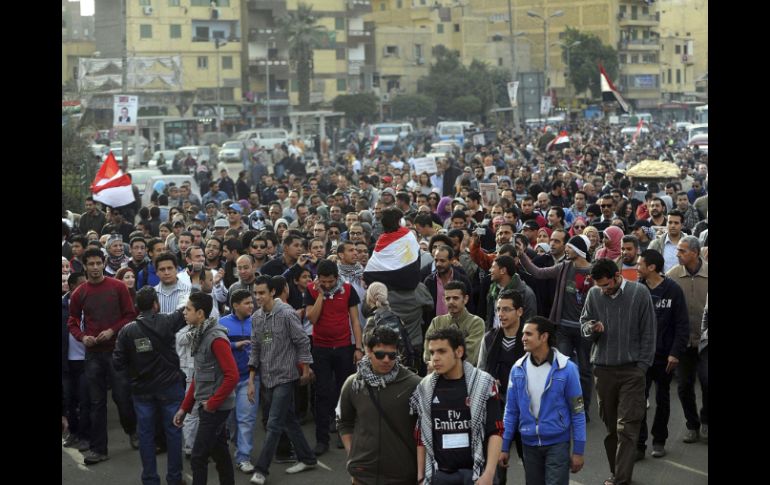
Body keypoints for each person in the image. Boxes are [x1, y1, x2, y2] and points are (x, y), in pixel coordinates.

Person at [580, 258, 656, 485]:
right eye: (599, 286)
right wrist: (591, 328)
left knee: (627, 428)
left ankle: (621, 479)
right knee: (611, 427)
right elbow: (583, 325)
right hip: (603, 370)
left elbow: (649, 333)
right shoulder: (594, 294)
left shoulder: (639, 293)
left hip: (632, 371)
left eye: (606, 285)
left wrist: (642, 367)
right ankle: (617, 471)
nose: (603, 289)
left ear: (616, 276)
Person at [67, 247, 138, 465]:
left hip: (116, 351)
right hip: (93, 354)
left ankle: (132, 431)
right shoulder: (80, 293)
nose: (96, 268)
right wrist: (82, 337)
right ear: (85, 266)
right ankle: (99, 449)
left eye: (99, 263)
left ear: (103, 263)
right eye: (91, 264)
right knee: (97, 403)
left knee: (122, 397)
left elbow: (130, 316)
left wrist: (112, 330)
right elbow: (71, 321)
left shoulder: (117, 287)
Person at [113, 287, 187, 485]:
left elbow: (118, 362)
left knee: (145, 435)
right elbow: (185, 309)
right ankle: (175, 478)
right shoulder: (167, 321)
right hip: (170, 387)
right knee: (173, 432)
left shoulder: (127, 331)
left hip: (142, 390)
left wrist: (135, 369)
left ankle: (149, 479)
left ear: (137, 306)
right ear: (156, 304)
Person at [410, 326, 503, 485]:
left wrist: (488, 474)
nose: (435, 358)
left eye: (441, 351)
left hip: (476, 474)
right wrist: (421, 475)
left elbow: (496, 431)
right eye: (432, 353)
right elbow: (421, 435)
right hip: (440, 475)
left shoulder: (483, 384)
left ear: (458, 352)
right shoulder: (425, 388)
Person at [499, 316, 586, 485]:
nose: (523, 338)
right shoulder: (517, 370)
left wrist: (578, 451)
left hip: (558, 444)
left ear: (544, 337)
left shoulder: (568, 369)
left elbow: (578, 412)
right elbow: (510, 412)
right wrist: (504, 446)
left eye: (528, 334)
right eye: (523, 334)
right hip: (529, 445)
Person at [516, 235, 595, 418]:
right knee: (563, 369)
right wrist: (522, 256)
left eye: (570, 247)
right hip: (563, 329)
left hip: (584, 330)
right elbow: (538, 272)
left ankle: (582, 409)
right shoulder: (564, 267)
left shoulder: (593, 271)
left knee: (584, 371)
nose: (566, 249)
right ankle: (565, 407)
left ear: (580, 250)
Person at [247, 276, 317, 484]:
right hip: (266, 378)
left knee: (274, 423)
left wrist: (306, 368)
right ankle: (307, 457)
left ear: (272, 293)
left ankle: (261, 470)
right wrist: (251, 380)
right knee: (288, 420)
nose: (258, 297)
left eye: (262, 293)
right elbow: (255, 348)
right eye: (255, 293)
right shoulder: (257, 318)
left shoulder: (287, 314)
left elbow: (302, 341)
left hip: (286, 377)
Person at [338, 326, 422, 484]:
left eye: (392, 355)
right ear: (368, 351)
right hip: (363, 475)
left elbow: (425, 432)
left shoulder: (414, 384)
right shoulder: (353, 384)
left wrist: (421, 472)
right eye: (380, 354)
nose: (386, 360)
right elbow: (344, 422)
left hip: (402, 476)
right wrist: (352, 455)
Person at [173, 292, 238, 485]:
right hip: (207, 404)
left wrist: (212, 404)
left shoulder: (215, 338)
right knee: (220, 453)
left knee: (198, 456)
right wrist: (184, 408)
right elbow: (199, 377)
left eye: (188, 309)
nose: (184, 312)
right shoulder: (200, 334)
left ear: (200, 313)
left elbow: (232, 375)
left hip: (215, 408)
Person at [304, 259, 364, 455]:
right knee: (322, 393)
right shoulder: (311, 291)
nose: (327, 285)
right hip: (321, 348)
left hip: (344, 347)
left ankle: (343, 433)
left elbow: (355, 321)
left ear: (337, 278)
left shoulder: (347, 290)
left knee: (343, 392)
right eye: (323, 281)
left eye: (330, 282)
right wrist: (321, 295)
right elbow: (312, 317)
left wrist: (358, 347)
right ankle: (322, 440)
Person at [635, 249, 690, 459]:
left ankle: (659, 440)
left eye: (641, 264)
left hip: (665, 357)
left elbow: (681, 324)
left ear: (652, 267)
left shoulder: (673, 290)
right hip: (641, 357)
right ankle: (639, 445)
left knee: (662, 398)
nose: (638, 267)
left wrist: (675, 353)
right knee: (639, 400)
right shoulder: (638, 289)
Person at [476, 289, 526, 483]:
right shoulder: (489, 339)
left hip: (525, 410)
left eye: (507, 309)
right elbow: (480, 371)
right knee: (497, 465)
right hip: (496, 409)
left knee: (532, 464)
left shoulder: (529, 338)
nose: (501, 314)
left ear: (519, 311)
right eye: (498, 309)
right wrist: (489, 381)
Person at [665, 236, 708, 445]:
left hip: (706, 342)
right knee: (684, 386)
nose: (677, 254)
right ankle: (692, 424)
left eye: (682, 251)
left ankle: (706, 420)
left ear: (695, 252)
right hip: (682, 342)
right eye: (678, 250)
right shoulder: (672, 276)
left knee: (707, 383)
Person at [218, 289, 259, 474]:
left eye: (252, 302)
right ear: (235, 305)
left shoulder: (257, 322)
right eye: (247, 303)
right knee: (231, 421)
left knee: (246, 419)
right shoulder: (222, 323)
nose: (251, 305)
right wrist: (235, 345)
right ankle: (236, 446)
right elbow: (217, 348)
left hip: (249, 379)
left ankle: (243, 456)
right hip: (227, 380)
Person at [422, 280, 485, 368]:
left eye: (455, 298)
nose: (451, 302)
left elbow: (470, 355)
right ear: (444, 300)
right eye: (448, 298)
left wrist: (439, 359)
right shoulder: (437, 322)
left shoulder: (476, 323)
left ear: (465, 299)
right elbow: (428, 355)